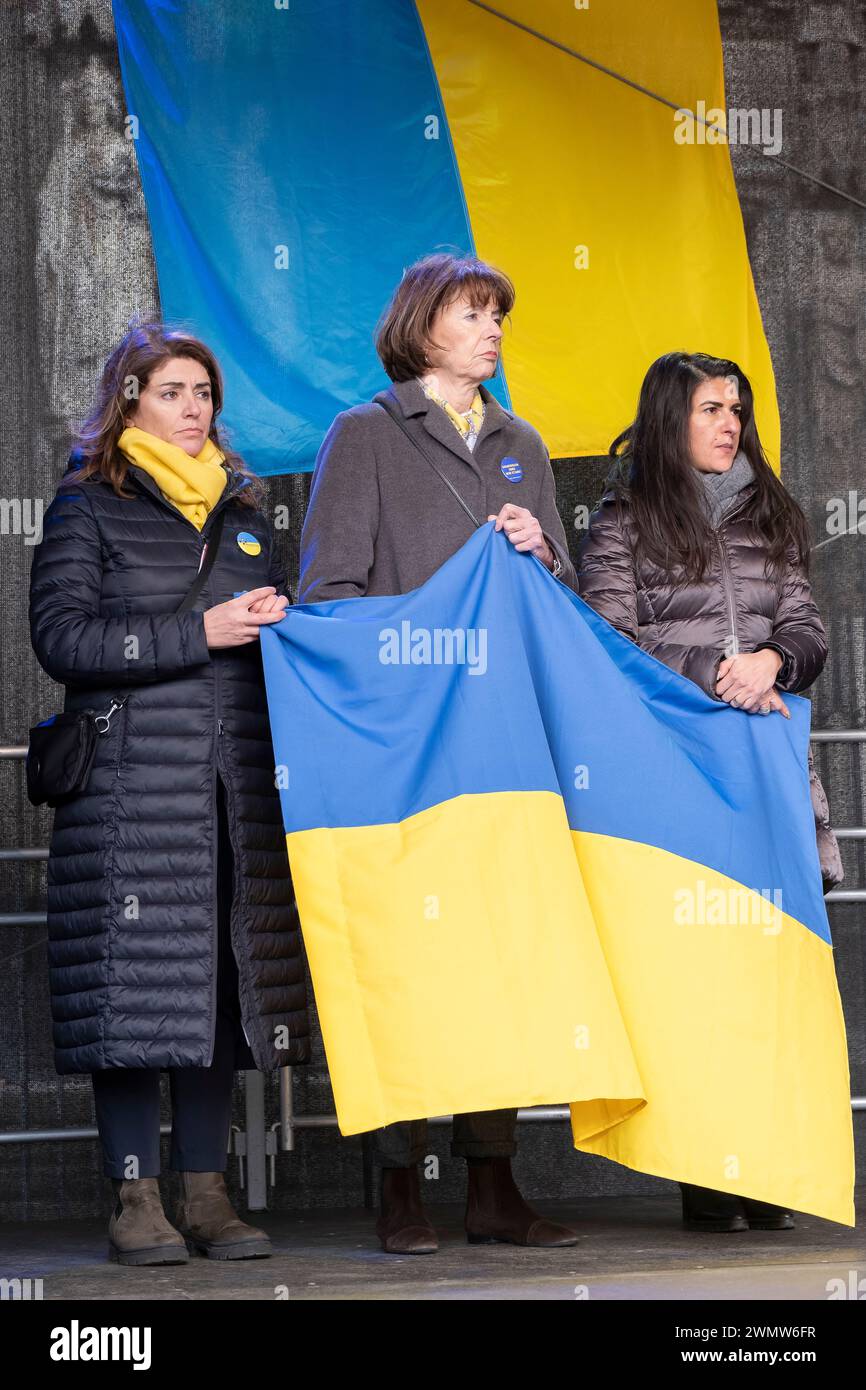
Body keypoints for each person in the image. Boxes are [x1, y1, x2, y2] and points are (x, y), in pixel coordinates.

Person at [299, 252, 579, 1254]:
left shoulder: (523, 444)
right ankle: (397, 1187)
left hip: (501, 751)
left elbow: (564, 609)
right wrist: (418, 640)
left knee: (494, 960)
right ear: (423, 328)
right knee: (404, 964)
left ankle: (493, 1186)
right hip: (403, 752)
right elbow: (323, 598)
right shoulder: (364, 435)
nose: (494, 328)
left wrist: (540, 556)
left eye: (498, 314)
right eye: (475, 312)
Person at [29, 324, 309, 1266]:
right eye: (174, 392)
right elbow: (63, 641)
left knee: (218, 996)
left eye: (204, 394)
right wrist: (206, 628)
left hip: (234, 793)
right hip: (127, 795)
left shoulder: (248, 509)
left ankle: (206, 1193)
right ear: (129, 401)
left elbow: (279, 632)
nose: (195, 410)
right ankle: (134, 1201)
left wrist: (282, 627)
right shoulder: (87, 505)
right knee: (130, 997)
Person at [577, 350, 836, 1233]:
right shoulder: (622, 522)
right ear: (670, 420)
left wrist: (773, 661)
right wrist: (714, 670)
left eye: (738, 408)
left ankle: (765, 1170)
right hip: (676, 779)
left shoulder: (774, 516)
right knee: (694, 982)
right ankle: (705, 1176)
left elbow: (806, 628)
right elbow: (607, 645)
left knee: (768, 978)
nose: (731, 423)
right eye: (713, 408)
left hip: (767, 774)